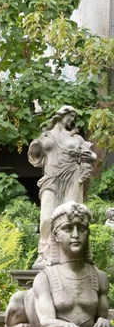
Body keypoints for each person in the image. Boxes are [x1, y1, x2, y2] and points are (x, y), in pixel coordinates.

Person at [28, 106, 98, 268]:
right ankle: (44, 253)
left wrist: (90, 156)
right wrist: (36, 146)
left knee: (71, 216)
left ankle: (70, 255)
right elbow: (34, 155)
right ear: (61, 115)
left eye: (73, 116)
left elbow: (91, 156)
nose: (71, 119)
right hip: (51, 179)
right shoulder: (47, 135)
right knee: (46, 218)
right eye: (70, 115)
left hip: (72, 177)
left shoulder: (77, 139)